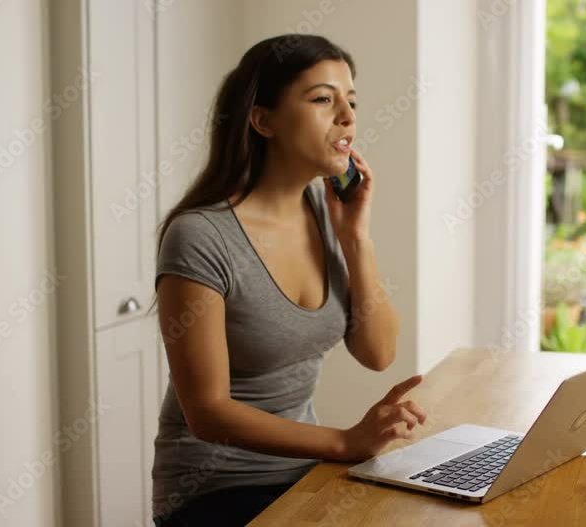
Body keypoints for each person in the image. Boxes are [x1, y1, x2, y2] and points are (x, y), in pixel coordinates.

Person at [150, 34, 428, 527]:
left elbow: (378, 352)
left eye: (351, 101)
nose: (347, 116)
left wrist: (356, 239)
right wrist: (346, 442)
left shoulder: (325, 209)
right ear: (264, 121)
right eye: (323, 99)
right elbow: (207, 412)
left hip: (307, 473)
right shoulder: (199, 236)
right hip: (216, 490)